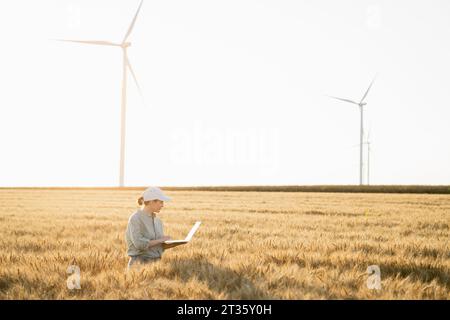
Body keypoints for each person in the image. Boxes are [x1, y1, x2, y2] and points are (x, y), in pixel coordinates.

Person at [125, 186, 180, 269]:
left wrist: (169, 244)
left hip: (156, 264)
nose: (163, 205)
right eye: (161, 202)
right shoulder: (135, 218)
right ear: (151, 201)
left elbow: (156, 245)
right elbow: (139, 244)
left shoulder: (157, 221)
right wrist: (161, 240)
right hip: (139, 264)